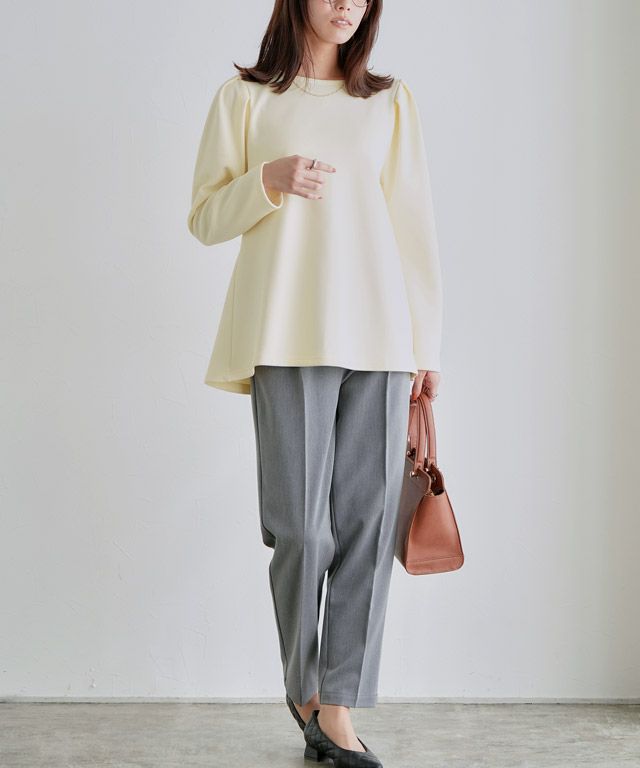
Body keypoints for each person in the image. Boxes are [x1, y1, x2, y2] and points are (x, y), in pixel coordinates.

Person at [187, 1, 443, 765]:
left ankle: (338, 706)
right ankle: (304, 690)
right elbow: (204, 218)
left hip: (381, 337)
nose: (346, 6)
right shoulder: (244, 99)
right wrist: (265, 180)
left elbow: (414, 225)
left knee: (367, 525)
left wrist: (426, 346)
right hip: (284, 331)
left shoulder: (389, 102)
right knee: (300, 528)